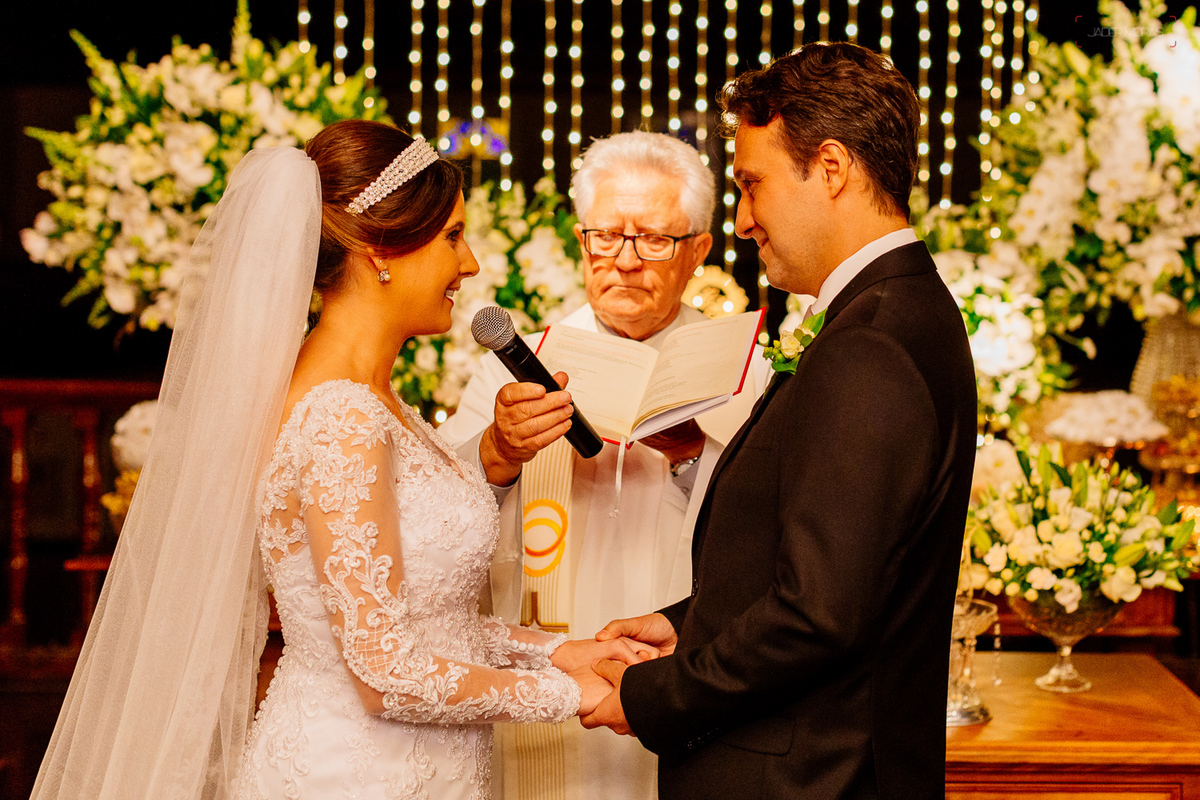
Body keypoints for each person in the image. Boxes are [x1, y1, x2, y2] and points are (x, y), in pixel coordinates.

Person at [31, 120, 654, 800]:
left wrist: (562, 650)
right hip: (356, 776)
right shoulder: (341, 419)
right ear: (381, 249)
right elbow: (384, 671)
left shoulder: (377, 403)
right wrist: (569, 694)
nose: (469, 263)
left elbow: (425, 618)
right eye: (451, 236)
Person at [583, 42, 978, 799]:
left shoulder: (871, 342)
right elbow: (845, 572)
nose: (740, 220)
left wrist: (650, 696)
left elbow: (819, 616)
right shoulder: (901, 312)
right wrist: (690, 624)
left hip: (811, 778)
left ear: (831, 168)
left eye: (751, 185)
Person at [437, 131, 771, 800]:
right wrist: (499, 452)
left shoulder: (745, 374)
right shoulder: (518, 362)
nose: (625, 262)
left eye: (653, 240)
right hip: (550, 667)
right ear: (581, 239)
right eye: (605, 237)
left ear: (698, 249)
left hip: (683, 669)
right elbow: (438, 520)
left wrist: (690, 458)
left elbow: (767, 535)